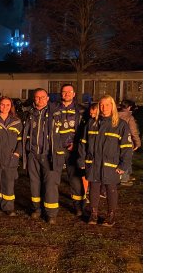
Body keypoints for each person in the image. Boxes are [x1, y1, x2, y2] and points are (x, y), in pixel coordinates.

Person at [79, 96, 133, 227]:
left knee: (110, 189)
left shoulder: (120, 125)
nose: (104, 108)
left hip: (111, 165)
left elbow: (126, 147)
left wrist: (123, 165)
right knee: (94, 189)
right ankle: (93, 214)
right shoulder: (91, 123)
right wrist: (82, 161)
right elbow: (83, 144)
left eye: (107, 105)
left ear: (112, 106)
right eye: (101, 105)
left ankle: (111, 216)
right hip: (93, 163)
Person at [23, 88, 71, 224]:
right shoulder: (29, 113)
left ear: (48, 98)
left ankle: (50, 214)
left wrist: (62, 146)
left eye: (43, 97)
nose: (40, 100)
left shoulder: (56, 112)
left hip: (50, 156)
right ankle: (37, 209)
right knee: (34, 184)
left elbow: (66, 131)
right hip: (33, 155)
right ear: (34, 99)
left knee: (51, 184)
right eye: (37, 97)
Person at [52, 84, 87, 216]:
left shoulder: (82, 110)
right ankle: (51, 203)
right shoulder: (53, 108)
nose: (66, 94)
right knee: (53, 177)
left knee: (76, 178)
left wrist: (77, 144)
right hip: (57, 149)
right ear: (61, 94)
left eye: (69, 92)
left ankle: (79, 206)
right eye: (64, 92)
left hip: (74, 149)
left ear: (74, 94)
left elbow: (85, 130)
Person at [117, 99, 142, 186]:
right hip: (127, 142)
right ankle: (124, 178)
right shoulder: (129, 118)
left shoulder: (115, 115)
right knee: (127, 159)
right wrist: (138, 143)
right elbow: (133, 131)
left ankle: (122, 176)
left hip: (115, 141)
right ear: (129, 107)